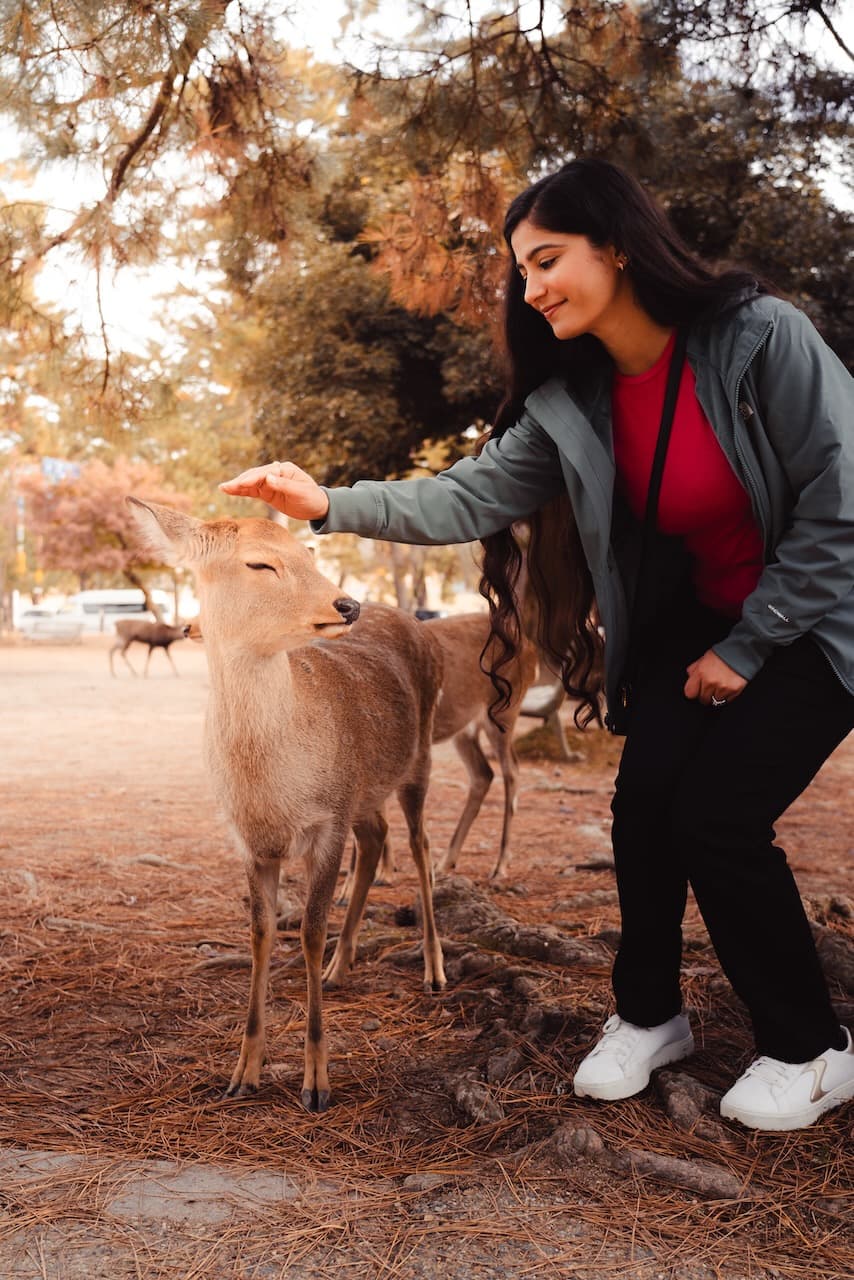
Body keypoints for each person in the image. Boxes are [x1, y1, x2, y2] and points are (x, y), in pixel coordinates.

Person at [221, 157, 854, 1133]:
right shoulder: (579, 398)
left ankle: (809, 1045)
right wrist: (326, 502)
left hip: (818, 616)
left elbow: (841, 504)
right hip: (701, 624)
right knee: (643, 806)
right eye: (521, 271)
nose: (532, 288)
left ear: (618, 246)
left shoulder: (759, 338)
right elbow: (466, 494)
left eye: (546, 259)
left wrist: (751, 643)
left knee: (715, 815)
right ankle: (648, 1015)